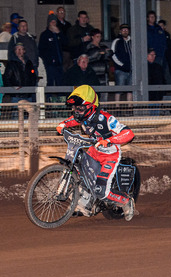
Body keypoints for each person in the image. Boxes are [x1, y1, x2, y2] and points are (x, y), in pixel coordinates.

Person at [56, 85, 136, 221]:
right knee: (78, 170)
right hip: (94, 151)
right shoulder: (82, 117)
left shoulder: (106, 119)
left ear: (91, 107)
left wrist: (109, 140)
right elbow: (72, 120)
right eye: (74, 108)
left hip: (109, 156)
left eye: (80, 108)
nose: (76, 111)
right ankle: (83, 204)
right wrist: (63, 125)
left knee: (101, 191)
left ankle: (125, 201)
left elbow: (128, 133)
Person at [38, 11, 65, 87]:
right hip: (50, 64)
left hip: (59, 63)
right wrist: (48, 59)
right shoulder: (45, 35)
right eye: (52, 22)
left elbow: (66, 43)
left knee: (60, 82)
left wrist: (59, 33)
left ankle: (60, 97)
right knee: (50, 82)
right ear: (49, 23)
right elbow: (41, 50)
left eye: (55, 22)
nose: (53, 23)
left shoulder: (59, 33)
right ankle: (49, 98)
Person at [111, 24, 132, 102]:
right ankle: (117, 107)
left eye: (126, 30)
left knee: (130, 90)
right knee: (119, 90)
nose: (125, 31)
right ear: (120, 31)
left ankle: (130, 108)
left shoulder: (132, 41)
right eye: (123, 30)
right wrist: (122, 65)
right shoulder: (116, 41)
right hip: (120, 70)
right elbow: (112, 55)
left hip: (131, 70)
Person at [55, 7, 72, 71]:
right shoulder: (55, 24)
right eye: (60, 12)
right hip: (60, 49)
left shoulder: (68, 24)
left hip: (68, 48)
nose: (62, 13)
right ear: (57, 13)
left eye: (63, 12)